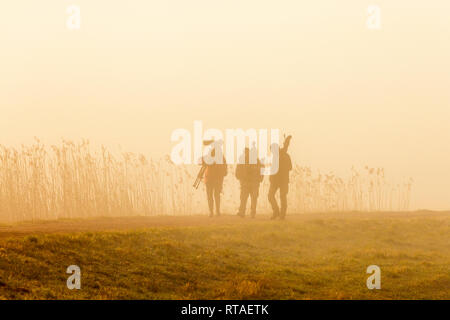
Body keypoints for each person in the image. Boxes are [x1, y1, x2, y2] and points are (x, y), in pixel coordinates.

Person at [235, 146, 263, 218]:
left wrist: (260, 179)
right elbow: (237, 171)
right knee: (244, 198)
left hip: (253, 182)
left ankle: (251, 213)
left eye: (247, 152)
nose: (246, 154)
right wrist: (240, 178)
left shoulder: (255, 160)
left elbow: (261, 169)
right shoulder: (243, 161)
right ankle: (243, 212)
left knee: (252, 198)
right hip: (247, 182)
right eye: (245, 152)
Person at [268, 140, 292, 220]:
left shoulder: (283, 155)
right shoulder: (281, 156)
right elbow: (290, 167)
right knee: (273, 196)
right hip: (278, 180)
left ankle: (280, 214)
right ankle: (278, 213)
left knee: (280, 197)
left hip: (281, 180)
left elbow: (289, 167)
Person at [202, 142, 227, 217]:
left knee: (210, 196)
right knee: (217, 195)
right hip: (217, 179)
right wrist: (223, 175)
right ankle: (217, 211)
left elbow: (201, 162)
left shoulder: (208, 156)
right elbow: (225, 167)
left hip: (209, 179)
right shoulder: (221, 157)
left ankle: (211, 212)